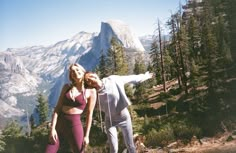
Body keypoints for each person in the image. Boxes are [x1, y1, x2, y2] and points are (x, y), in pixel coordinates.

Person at [84, 71, 154, 153]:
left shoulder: (112, 79)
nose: (91, 79)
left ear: (96, 74)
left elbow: (131, 78)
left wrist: (145, 76)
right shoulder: (93, 94)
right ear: (88, 85)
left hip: (124, 118)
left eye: (91, 76)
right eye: (88, 80)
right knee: (113, 149)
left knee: (130, 145)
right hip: (110, 121)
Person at [45, 63, 97, 153]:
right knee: (49, 150)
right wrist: (52, 128)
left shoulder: (91, 91)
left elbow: (90, 114)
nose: (75, 72)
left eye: (77, 70)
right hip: (60, 123)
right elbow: (57, 109)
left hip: (74, 124)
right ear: (71, 76)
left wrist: (87, 136)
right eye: (72, 71)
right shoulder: (66, 87)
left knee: (79, 151)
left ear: (83, 72)